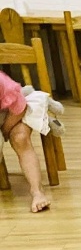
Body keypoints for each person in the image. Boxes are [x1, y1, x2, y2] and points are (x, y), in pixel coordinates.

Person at [0, 70, 50, 212]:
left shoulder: (3, 84)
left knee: (20, 139)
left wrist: (5, 131)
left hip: (12, 112)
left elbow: (19, 108)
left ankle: (37, 191)